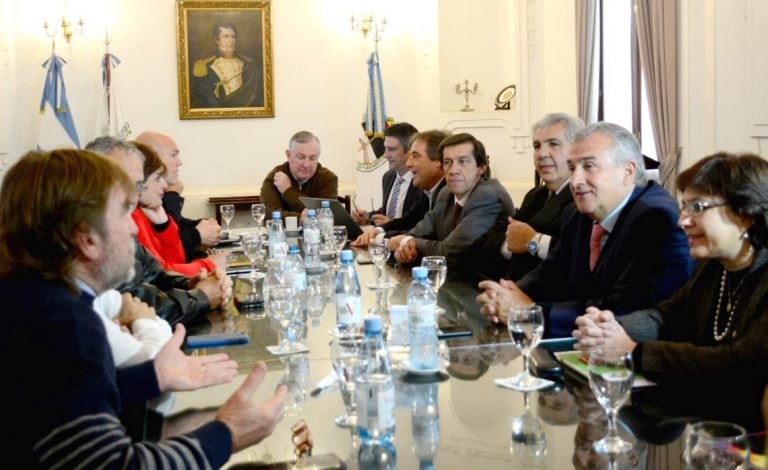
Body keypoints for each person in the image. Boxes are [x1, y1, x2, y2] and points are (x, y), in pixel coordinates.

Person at [0, 149, 286, 467]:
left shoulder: (28, 297)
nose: (135, 230)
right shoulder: (63, 324)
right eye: (124, 213)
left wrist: (152, 376)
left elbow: (58, 405)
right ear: (87, 240)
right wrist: (227, 434)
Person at [573, 152, 768, 430]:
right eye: (684, 207)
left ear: (745, 214)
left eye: (698, 207)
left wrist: (632, 351)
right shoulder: (711, 267)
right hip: (709, 422)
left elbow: (741, 365)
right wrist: (611, 328)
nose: (683, 221)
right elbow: (666, 316)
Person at [477, 122, 693, 337]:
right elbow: (553, 270)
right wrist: (507, 296)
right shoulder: (579, 211)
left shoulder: (656, 219)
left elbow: (623, 308)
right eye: (572, 168)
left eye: (589, 166)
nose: (575, 180)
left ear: (628, 172)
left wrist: (528, 313)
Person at [86, 136, 232, 326]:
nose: (135, 195)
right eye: (128, 183)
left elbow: (156, 274)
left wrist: (191, 283)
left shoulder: (120, 219)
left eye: (138, 185)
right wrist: (201, 296)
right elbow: (136, 304)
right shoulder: (96, 229)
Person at [390, 133, 516, 282]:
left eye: (463, 162)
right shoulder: (445, 193)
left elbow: (449, 252)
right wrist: (405, 249)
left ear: (480, 168)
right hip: (452, 282)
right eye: (448, 162)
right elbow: (419, 232)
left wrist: (407, 242)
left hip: (485, 287)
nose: (453, 170)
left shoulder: (488, 195)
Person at [485, 113, 583, 280]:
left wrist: (532, 243)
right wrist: (521, 246)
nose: (542, 153)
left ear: (576, 151)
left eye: (553, 144)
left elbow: (574, 258)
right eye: (537, 146)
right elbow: (492, 239)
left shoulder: (582, 197)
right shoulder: (535, 195)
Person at [132, 141, 227, 277]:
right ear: (138, 181)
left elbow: (176, 261)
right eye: (158, 177)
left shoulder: (147, 210)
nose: (164, 185)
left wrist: (163, 225)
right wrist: (208, 265)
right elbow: (161, 275)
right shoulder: (132, 216)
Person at [351, 129, 449, 247]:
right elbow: (408, 221)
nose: (409, 163)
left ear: (438, 160)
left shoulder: (448, 193)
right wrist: (377, 231)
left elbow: (428, 235)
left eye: (415, 156)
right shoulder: (427, 191)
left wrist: (381, 238)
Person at [352, 122, 424, 225]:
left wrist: (392, 224)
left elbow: (421, 223)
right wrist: (368, 217)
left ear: (410, 151)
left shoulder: (422, 180)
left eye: (391, 149)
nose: (385, 155)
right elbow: (388, 211)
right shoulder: (388, 177)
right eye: (385, 148)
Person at [260, 130, 339, 220]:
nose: (306, 164)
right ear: (288, 155)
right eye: (301, 157)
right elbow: (269, 215)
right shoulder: (274, 178)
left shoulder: (328, 179)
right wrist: (299, 219)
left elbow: (324, 216)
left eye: (312, 158)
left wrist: (288, 191)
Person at [191, 21, 263, 108]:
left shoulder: (248, 65)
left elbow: (255, 94)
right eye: (225, 37)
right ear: (217, 40)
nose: (230, 41)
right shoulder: (205, 66)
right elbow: (206, 97)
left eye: (233, 37)